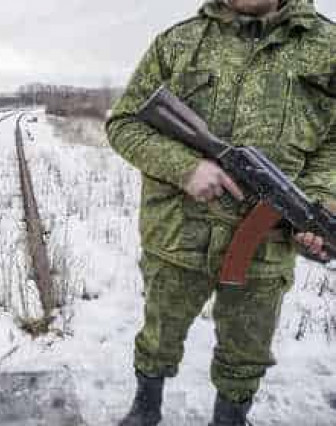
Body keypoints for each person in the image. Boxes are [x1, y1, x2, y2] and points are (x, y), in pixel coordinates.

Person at [106, 0, 336, 425]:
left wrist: (320, 201)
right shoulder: (179, 42)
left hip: (266, 249)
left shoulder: (329, 47)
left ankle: (230, 418)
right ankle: (145, 410)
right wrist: (186, 167)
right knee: (158, 338)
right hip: (177, 237)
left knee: (245, 353)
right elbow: (124, 123)